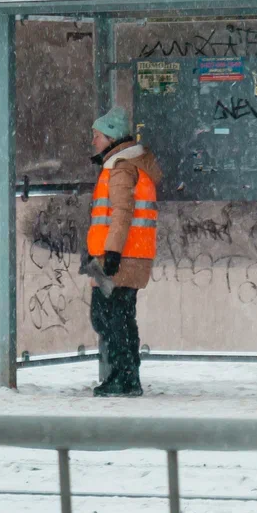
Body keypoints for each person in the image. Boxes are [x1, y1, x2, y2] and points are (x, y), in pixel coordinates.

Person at [86, 105, 163, 397]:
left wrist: (112, 254)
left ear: (111, 137)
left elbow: (121, 214)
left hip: (120, 256)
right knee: (119, 315)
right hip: (127, 253)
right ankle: (128, 375)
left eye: (97, 136)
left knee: (109, 315)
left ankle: (124, 376)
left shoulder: (121, 169)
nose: (94, 141)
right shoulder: (128, 166)